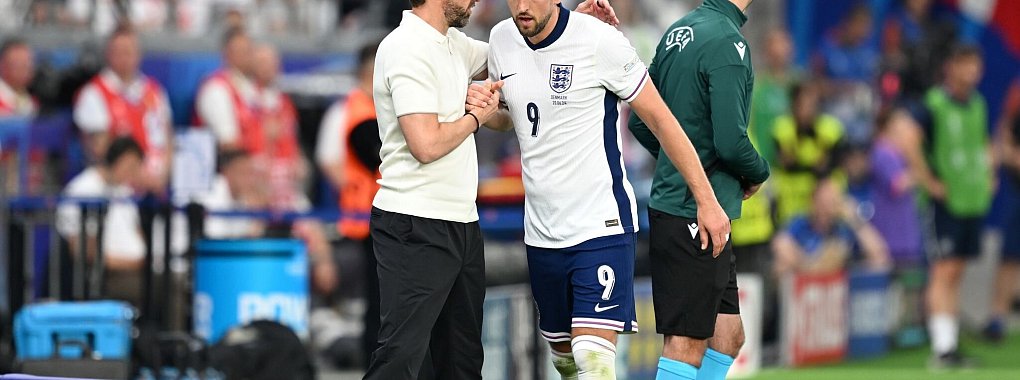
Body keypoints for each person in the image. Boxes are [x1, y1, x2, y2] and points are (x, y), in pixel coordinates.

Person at [472, 1, 729, 378]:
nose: (522, 7)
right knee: (565, 361)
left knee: (592, 358)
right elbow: (516, 116)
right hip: (541, 233)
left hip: (600, 227)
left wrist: (707, 200)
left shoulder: (599, 41)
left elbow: (661, 120)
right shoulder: (501, 39)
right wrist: (482, 112)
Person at [365, 1, 617, 378]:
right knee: (400, 356)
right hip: (414, 221)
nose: (476, 1)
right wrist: (475, 117)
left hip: (462, 223)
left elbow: (523, 49)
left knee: (463, 361)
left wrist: (569, 22)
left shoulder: (454, 43)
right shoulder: (405, 47)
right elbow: (425, 144)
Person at [627, 0, 770, 379]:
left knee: (727, 336)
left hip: (696, 211)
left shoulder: (678, 31)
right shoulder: (728, 43)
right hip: (694, 213)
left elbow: (641, 123)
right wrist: (759, 171)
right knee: (685, 343)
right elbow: (730, 143)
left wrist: (676, 162)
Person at [910, 45, 994, 368]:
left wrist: (989, 173)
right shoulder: (934, 103)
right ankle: (941, 347)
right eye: (965, 65)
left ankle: (950, 342)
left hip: (970, 198)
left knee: (956, 270)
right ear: (952, 67)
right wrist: (928, 180)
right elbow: (908, 138)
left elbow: (983, 141)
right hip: (944, 202)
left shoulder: (978, 103)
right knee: (943, 270)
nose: (972, 72)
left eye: (976, 66)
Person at [315, 42, 381, 368]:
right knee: (372, 296)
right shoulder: (346, 110)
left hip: (387, 213)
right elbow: (329, 160)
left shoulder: (386, 106)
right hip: (362, 218)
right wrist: (351, 189)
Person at [74, 26, 173, 194]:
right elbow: (100, 150)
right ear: (108, 54)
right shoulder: (94, 93)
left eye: (128, 52)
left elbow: (168, 138)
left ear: (138, 54)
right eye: (118, 52)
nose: (124, 58)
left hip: (157, 184)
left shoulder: (155, 91)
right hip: (117, 187)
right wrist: (137, 175)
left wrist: (162, 176)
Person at [56, 137, 147, 304]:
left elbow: (137, 232)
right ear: (118, 160)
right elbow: (81, 250)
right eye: (131, 167)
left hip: (138, 270)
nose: (134, 174)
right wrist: (129, 264)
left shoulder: (124, 191)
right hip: (106, 277)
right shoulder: (82, 190)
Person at [772, 178, 890, 276]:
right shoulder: (801, 223)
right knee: (781, 266)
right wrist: (813, 264)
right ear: (813, 202)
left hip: (838, 288)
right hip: (807, 284)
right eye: (823, 203)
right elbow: (780, 243)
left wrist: (855, 220)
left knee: (878, 263)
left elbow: (879, 254)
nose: (827, 209)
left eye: (833, 202)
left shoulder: (843, 228)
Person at [772, 82, 846, 223]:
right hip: (791, 198)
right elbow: (788, 163)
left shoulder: (831, 128)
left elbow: (827, 166)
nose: (808, 110)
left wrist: (803, 159)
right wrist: (815, 161)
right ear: (794, 105)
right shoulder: (782, 127)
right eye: (803, 104)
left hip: (821, 195)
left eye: (812, 104)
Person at [984, 75, 1020, 342]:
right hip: (1017, 188)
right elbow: (1003, 137)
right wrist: (1011, 157)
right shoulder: (1017, 92)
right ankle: (997, 318)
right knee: (1010, 255)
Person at [194, 27, 259, 153]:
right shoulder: (215, 89)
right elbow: (228, 144)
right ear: (228, 55)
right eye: (245, 52)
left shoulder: (249, 88)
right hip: (228, 162)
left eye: (251, 50)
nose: (251, 57)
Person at [0, 37, 36, 117]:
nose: (26, 70)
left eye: (28, 64)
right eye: (20, 65)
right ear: (3, 65)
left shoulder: (31, 101)